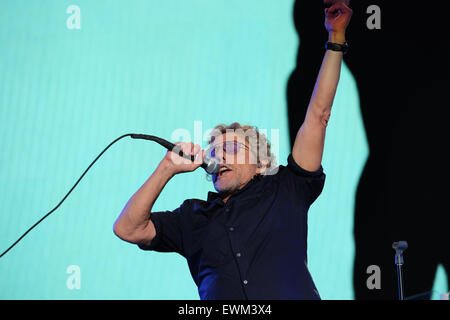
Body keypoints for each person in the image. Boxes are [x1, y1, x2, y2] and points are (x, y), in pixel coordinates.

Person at [113, 2, 352, 300]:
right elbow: (128, 228)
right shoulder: (192, 217)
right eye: (214, 150)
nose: (219, 156)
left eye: (231, 148)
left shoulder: (287, 188)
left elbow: (318, 115)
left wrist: (336, 37)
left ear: (262, 162)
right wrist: (167, 168)